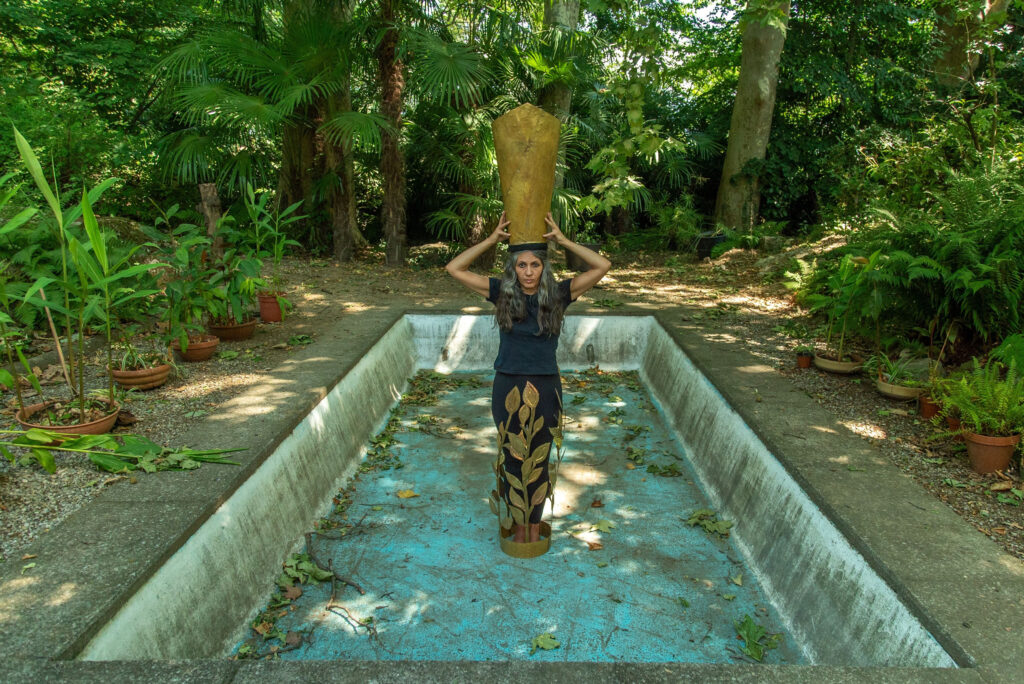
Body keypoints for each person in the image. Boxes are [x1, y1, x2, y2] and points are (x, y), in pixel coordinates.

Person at [445, 211, 611, 543]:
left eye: (535, 265)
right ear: (513, 268)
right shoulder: (502, 293)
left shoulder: (559, 295)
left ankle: (534, 526)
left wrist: (564, 242)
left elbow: (602, 266)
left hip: (546, 386)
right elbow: (454, 268)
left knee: (540, 454)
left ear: (544, 267)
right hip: (507, 384)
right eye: (522, 265)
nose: (528, 272)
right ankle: (519, 526)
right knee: (511, 456)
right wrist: (492, 241)